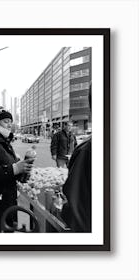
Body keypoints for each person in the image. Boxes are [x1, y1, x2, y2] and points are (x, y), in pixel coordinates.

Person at [61, 85, 92, 232]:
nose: (70, 127)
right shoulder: (58, 135)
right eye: (68, 125)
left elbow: (75, 210)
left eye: (71, 125)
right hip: (62, 156)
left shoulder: (86, 149)